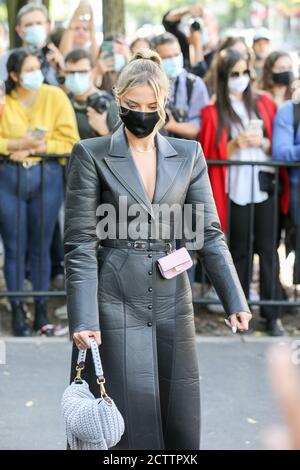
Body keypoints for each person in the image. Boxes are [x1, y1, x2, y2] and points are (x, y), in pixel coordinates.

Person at [64, 48, 252, 450]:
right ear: (118, 101)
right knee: (121, 424)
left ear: (164, 104)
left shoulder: (188, 155)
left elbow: (210, 233)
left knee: (177, 413)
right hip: (113, 297)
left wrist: (234, 297)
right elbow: (80, 243)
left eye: (151, 105)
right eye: (133, 105)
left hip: (172, 298)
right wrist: (83, 317)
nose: (142, 114)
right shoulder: (91, 154)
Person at [200, 48, 289, 336]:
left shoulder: (263, 103)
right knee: (237, 250)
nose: (241, 78)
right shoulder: (214, 111)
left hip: (264, 186)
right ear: (225, 77)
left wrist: (261, 141)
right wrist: (237, 143)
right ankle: (239, 312)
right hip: (233, 188)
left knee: (267, 250)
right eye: (234, 74)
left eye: (244, 72)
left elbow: (275, 145)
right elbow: (212, 152)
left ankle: (272, 315)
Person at [0, 48, 79, 337]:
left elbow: (71, 140)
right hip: (9, 176)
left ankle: (42, 311)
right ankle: (18, 311)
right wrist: (17, 144)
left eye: (38, 67)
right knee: (14, 247)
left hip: (47, 175)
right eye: (28, 69)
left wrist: (40, 148)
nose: (35, 73)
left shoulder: (54, 96)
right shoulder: (5, 100)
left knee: (41, 246)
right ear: (13, 75)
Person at [152, 33, 209, 140]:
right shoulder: (146, 85)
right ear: (155, 61)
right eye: (168, 57)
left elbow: (197, 128)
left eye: (176, 55)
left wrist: (170, 125)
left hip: (183, 150)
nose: (174, 60)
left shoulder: (194, 84)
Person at [0, 2, 64, 86]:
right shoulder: (6, 60)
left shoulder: (58, 59)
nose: (34, 28)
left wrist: (62, 70)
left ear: (49, 26)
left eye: (39, 23)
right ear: (19, 30)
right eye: (28, 25)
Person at [64, 49, 118, 139]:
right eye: (71, 72)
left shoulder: (108, 104)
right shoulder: (64, 100)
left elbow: (121, 148)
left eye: (82, 72)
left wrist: (104, 131)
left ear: (93, 72)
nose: (76, 77)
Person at [162, 4, 219, 78]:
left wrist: (197, 44)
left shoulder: (219, 53)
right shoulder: (185, 44)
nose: (201, 28)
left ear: (215, 27)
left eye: (205, 23)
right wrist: (188, 10)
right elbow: (168, 21)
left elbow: (200, 74)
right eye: (197, 24)